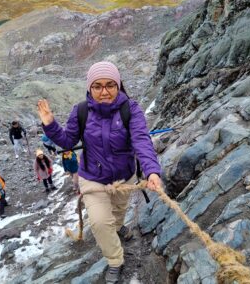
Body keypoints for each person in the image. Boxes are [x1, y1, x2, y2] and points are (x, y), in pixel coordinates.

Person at [37, 61, 163, 284]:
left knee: (119, 210)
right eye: (97, 86)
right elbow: (67, 141)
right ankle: (115, 260)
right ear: (89, 88)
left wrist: (152, 171)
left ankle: (118, 226)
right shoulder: (81, 110)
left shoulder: (130, 109)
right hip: (92, 178)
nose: (104, 91)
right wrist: (50, 125)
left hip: (124, 177)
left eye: (110, 85)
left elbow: (141, 140)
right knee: (99, 222)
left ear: (118, 85)